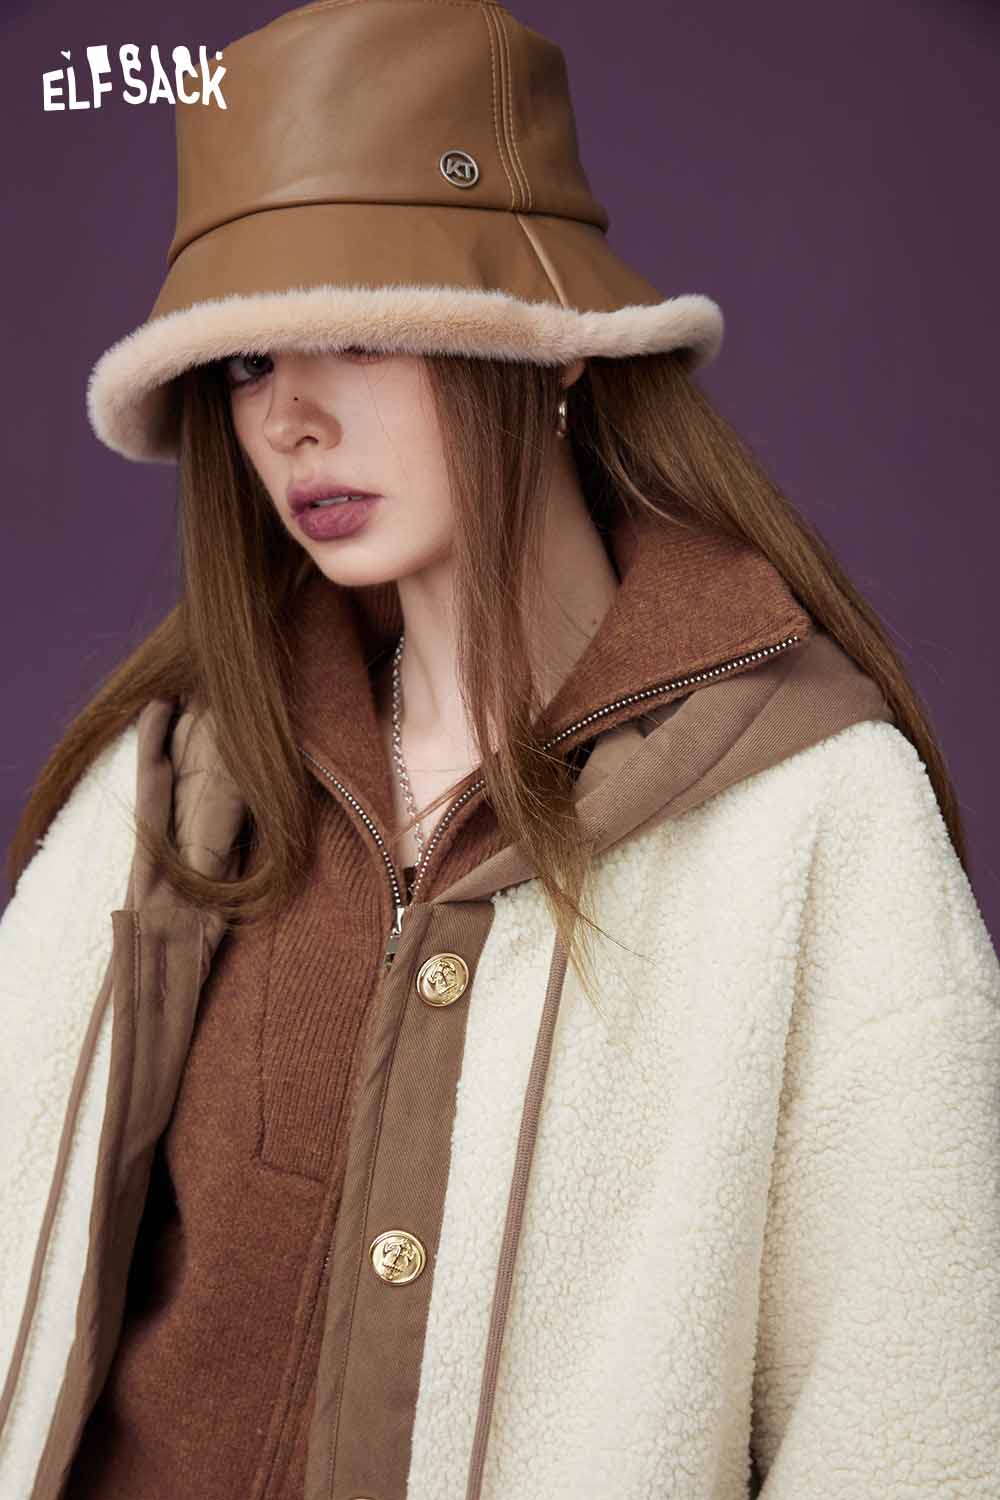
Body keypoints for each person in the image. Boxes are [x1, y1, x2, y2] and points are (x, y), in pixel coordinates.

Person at [2, 3, 998, 1498]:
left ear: (552, 354)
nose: (293, 419)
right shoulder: (174, 787)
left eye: (361, 330)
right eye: (249, 361)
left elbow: (914, 1405)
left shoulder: (812, 808)